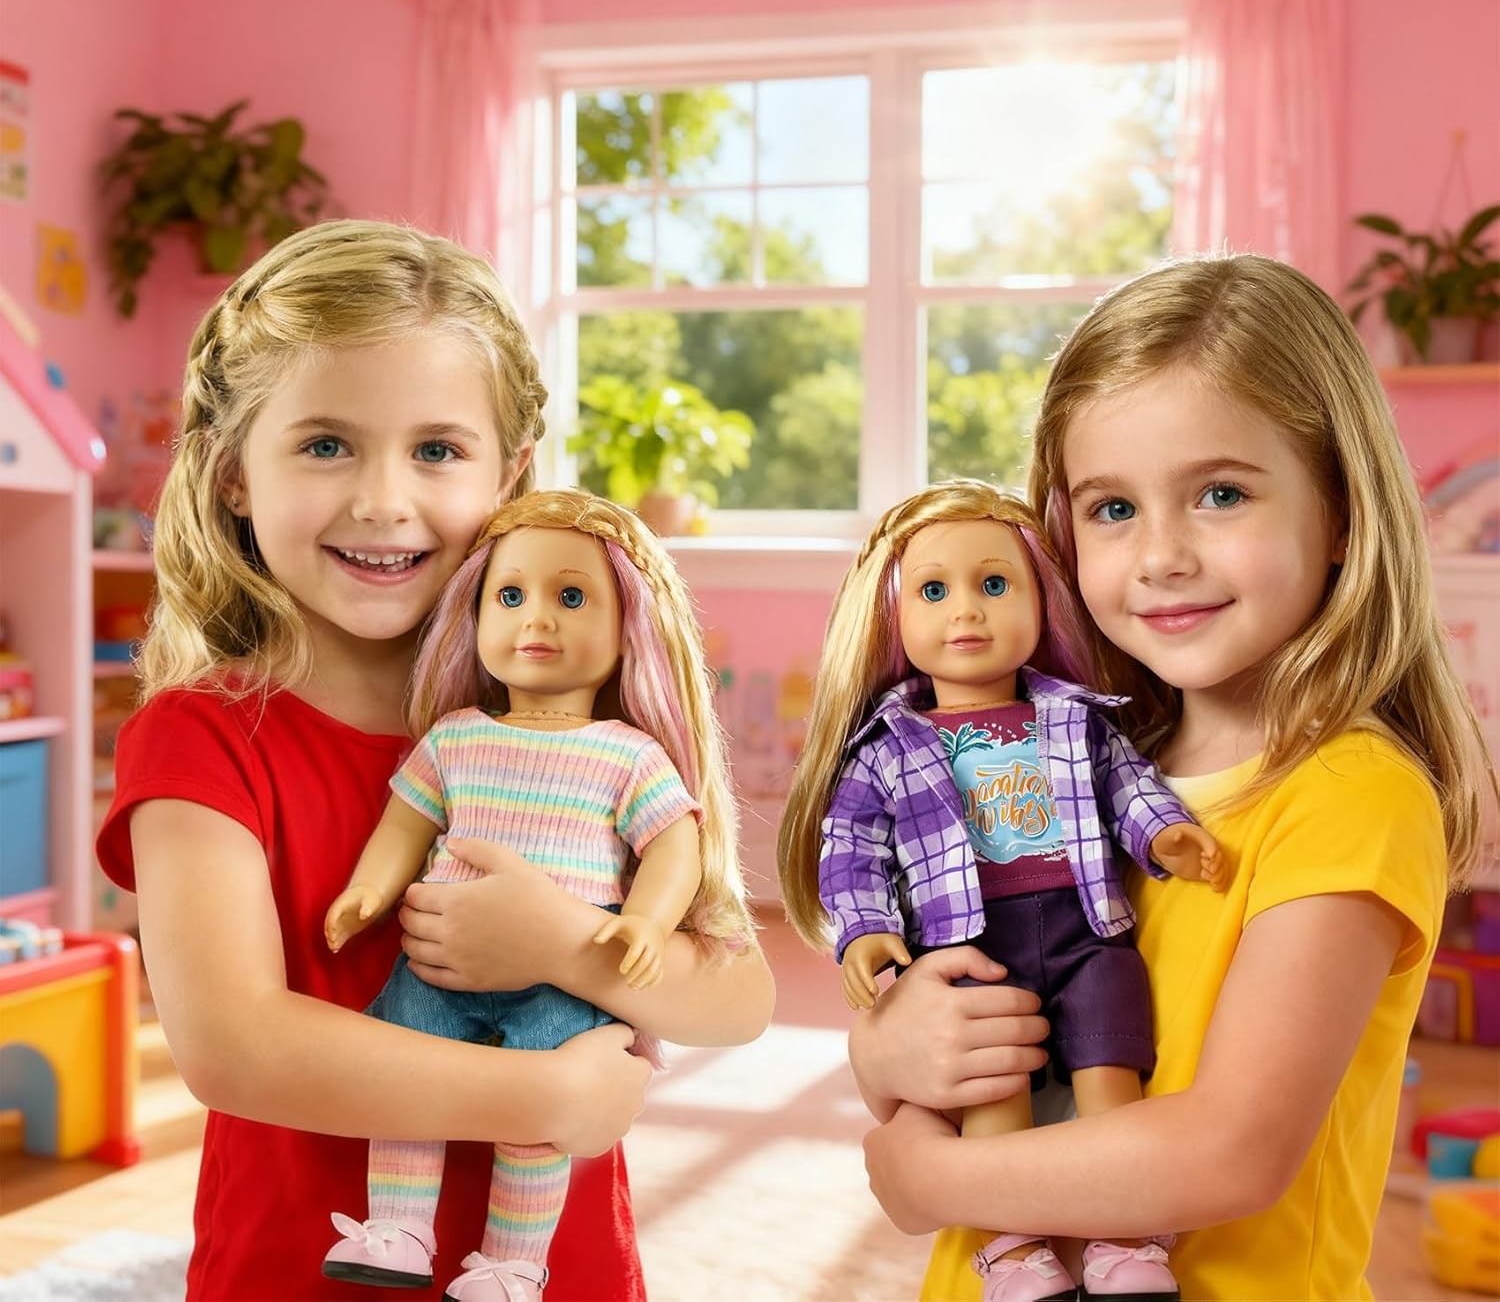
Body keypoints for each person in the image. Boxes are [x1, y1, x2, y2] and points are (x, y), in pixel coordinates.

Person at [96, 220, 774, 1302]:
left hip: (557, 1276)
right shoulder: (199, 738)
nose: (383, 499)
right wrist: (538, 1098)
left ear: (511, 477)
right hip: (302, 1277)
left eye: (438, 451)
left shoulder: (585, 731)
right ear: (232, 476)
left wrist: (561, 944)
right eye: (326, 445)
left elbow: (738, 997)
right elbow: (232, 1045)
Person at [853, 255, 1493, 1301]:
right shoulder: (1081, 760)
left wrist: (936, 1178)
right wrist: (888, 1054)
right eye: (1112, 509)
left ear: (1340, 511)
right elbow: (960, 1013)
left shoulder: (1351, 795)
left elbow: (1233, 1150)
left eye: (1221, 494)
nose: (1159, 556)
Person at [779, 482, 1226, 1301]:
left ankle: (1123, 1236)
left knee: (1110, 1066)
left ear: (1041, 602)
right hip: (973, 944)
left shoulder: (1074, 720)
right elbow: (852, 846)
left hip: (1088, 925)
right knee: (993, 1082)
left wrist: (1164, 833)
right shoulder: (889, 746)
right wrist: (865, 930)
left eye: (994, 584)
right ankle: (1013, 1250)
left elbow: (1126, 785)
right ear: (892, 615)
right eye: (933, 590)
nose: (966, 611)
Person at [321, 488, 754, 1301]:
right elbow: (405, 823)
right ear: (476, 615)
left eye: (572, 598)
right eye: (511, 597)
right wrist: (368, 891)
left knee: (541, 1120)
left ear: (627, 627)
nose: (538, 620)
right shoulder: (455, 737)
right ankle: (400, 1227)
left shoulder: (627, 754)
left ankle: (513, 1263)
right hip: (437, 963)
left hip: (565, 975)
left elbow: (675, 846)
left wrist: (646, 922)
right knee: (408, 1080)